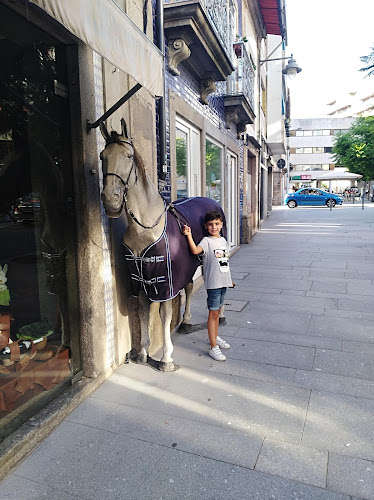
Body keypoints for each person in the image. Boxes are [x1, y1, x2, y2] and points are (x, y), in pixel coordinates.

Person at [182, 211, 233, 361]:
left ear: (221, 225)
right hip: (214, 284)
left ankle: (215, 337)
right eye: (210, 224)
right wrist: (188, 235)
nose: (214, 227)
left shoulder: (223, 240)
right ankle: (213, 347)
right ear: (206, 226)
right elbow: (195, 250)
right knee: (213, 314)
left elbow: (224, 262)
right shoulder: (206, 241)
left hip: (224, 282)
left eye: (217, 224)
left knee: (218, 312)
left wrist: (230, 280)